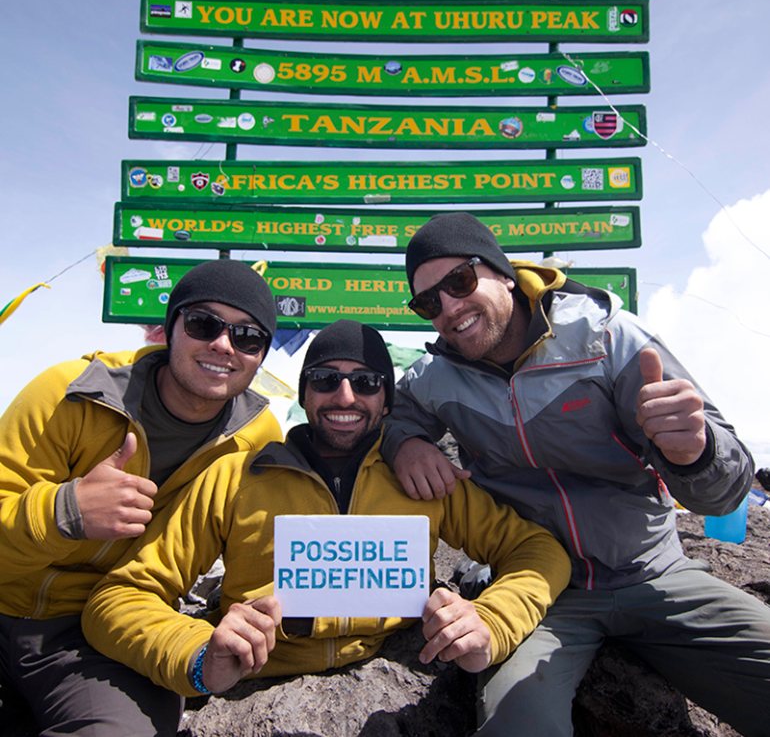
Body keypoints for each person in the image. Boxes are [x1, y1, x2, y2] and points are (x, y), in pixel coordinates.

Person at [380, 211, 770, 737]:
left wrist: (695, 452)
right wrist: (405, 442)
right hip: (543, 590)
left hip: (654, 573)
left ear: (502, 272)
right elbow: (388, 416)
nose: (449, 308)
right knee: (516, 723)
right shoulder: (432, 377)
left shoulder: (609, 337)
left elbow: (727, 491)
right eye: (429, 302)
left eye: (460, 281)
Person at [82, 319, 570, 731]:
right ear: (304, 390)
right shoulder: (234, 477)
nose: (345, 396)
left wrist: (492, 622)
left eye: (366, 383)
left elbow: (538, 551)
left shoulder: (423, 478)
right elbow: (118, 599)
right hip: (253, 694)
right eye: (324, 378)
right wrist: (197, 653)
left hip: (396, 684)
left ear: (386, 400)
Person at [0, 258, 283, 736]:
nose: (222, 344)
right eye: (203, 323)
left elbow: (251, 577)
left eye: (247, 336)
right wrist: (66, 511)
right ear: (169, 329)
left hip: (95, 639)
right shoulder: (70, 393)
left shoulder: (258, 440)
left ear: (260, 357)